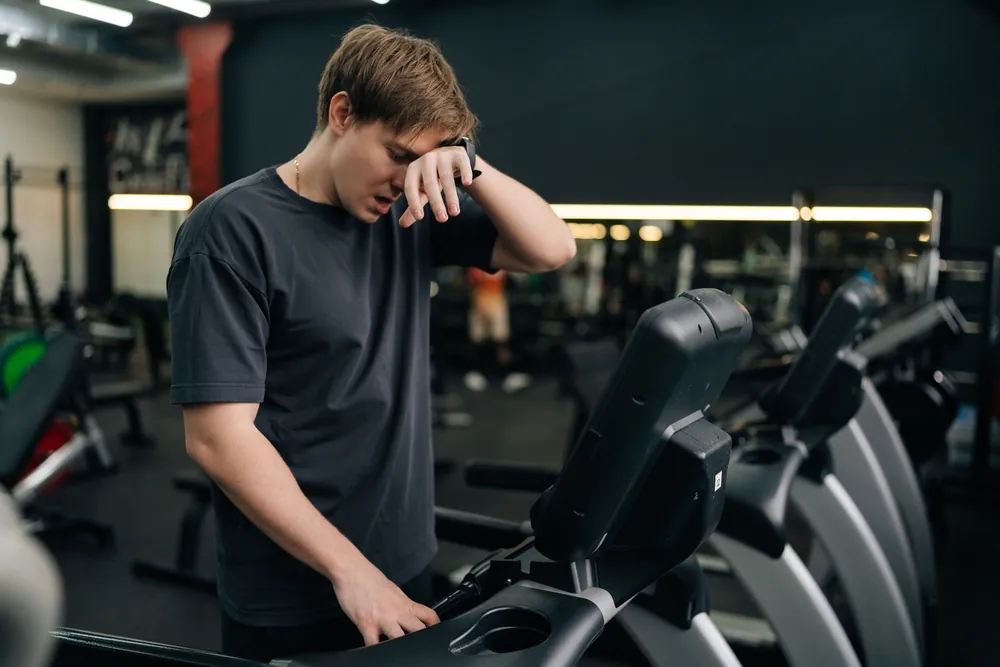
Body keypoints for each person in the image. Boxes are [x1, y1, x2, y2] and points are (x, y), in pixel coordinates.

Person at [166, 24, 576, 663]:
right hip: (295, 585)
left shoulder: (408, 210)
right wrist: (349, 570)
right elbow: (218, 437)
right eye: (398, 153)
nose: (408, 177)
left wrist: (470, 166)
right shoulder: (229, 232)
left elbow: (553, 248)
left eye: (427, 161)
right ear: (341, 112)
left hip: (402, 556)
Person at [462, 267, 531, 393]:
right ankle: (475, 372)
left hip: (497, 303)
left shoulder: (503, 266)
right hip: (479, 303)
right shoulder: (476, 267)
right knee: (476, 340)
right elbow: (469, 280)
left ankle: (506, 374)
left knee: (501, 341)